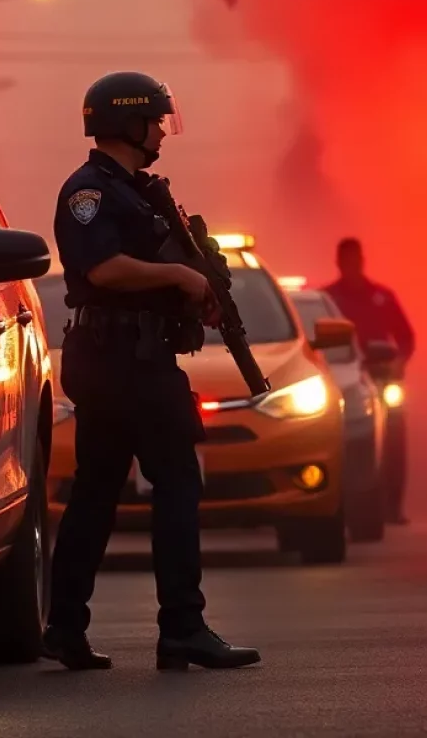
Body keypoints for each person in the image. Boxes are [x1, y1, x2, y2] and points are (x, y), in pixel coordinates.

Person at [44, 71, 260, 671]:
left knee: (96, 492)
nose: (162, 130)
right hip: (123, 362)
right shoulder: (89, 192)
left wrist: (197, 292)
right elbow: (105, 271)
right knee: (177, 483)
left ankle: (65, 628)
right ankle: (182, 628)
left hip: (128, 358)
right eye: (155, 120)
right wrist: (180, 278)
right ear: (127, 123)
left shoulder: (136, 190)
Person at [325, 237, 416, 524]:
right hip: (340, 378)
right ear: (338, 263)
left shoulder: (383, 297)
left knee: (393, 439)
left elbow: (406, 336)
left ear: (362, 261)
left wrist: (399, 362)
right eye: (346, 261)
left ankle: (392, 506)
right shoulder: (328, 301)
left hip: (381, 377)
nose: (351, 266)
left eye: (356, 260)